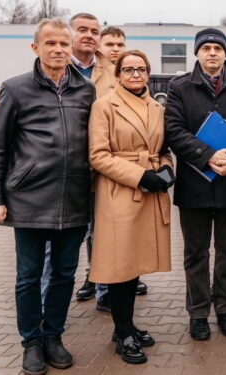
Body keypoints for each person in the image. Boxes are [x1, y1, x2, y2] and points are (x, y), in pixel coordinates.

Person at [0, 18, 95, 375]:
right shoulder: (15, 89)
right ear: (36, 48)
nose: (59, 49)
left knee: (63, 274)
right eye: (51, 44)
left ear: (71, 47)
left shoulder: (86, 90)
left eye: (64, 44)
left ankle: (53, 336)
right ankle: (31, 342)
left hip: (74, 200)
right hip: (29, 200)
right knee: (28, 276)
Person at [164, 28, 226, 341]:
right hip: (194, 184)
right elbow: (174, 131)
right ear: (197, 53)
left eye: (217, 48)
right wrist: (207, 156)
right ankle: (197, 312)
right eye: (205, 48)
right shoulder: (179, 86)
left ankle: (224, 308)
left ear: (225, 52)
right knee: (195, 253)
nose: (212, 53)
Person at [88, 50, 172, 365]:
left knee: (134, 265)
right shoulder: (104, 106)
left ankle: (127, 325)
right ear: (119, 74)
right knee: (120, 265)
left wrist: (166, 169)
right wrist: (141, 176)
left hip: (149, 192)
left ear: (148, 73)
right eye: (129, 69)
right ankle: (122, 334)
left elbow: (162, 148)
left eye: (141, 69)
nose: (135, 74)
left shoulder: (156, 107)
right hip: (119, 193)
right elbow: (98, 155)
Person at [70, 15, 148, 309]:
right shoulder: (77, 71)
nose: (115, 48)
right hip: (77, 167)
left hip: (111, 171)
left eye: (120, 44)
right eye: (110, 43)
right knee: (84, 235)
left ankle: (107, 289)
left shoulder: (122, 75)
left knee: (107, 232)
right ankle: (93, 278)